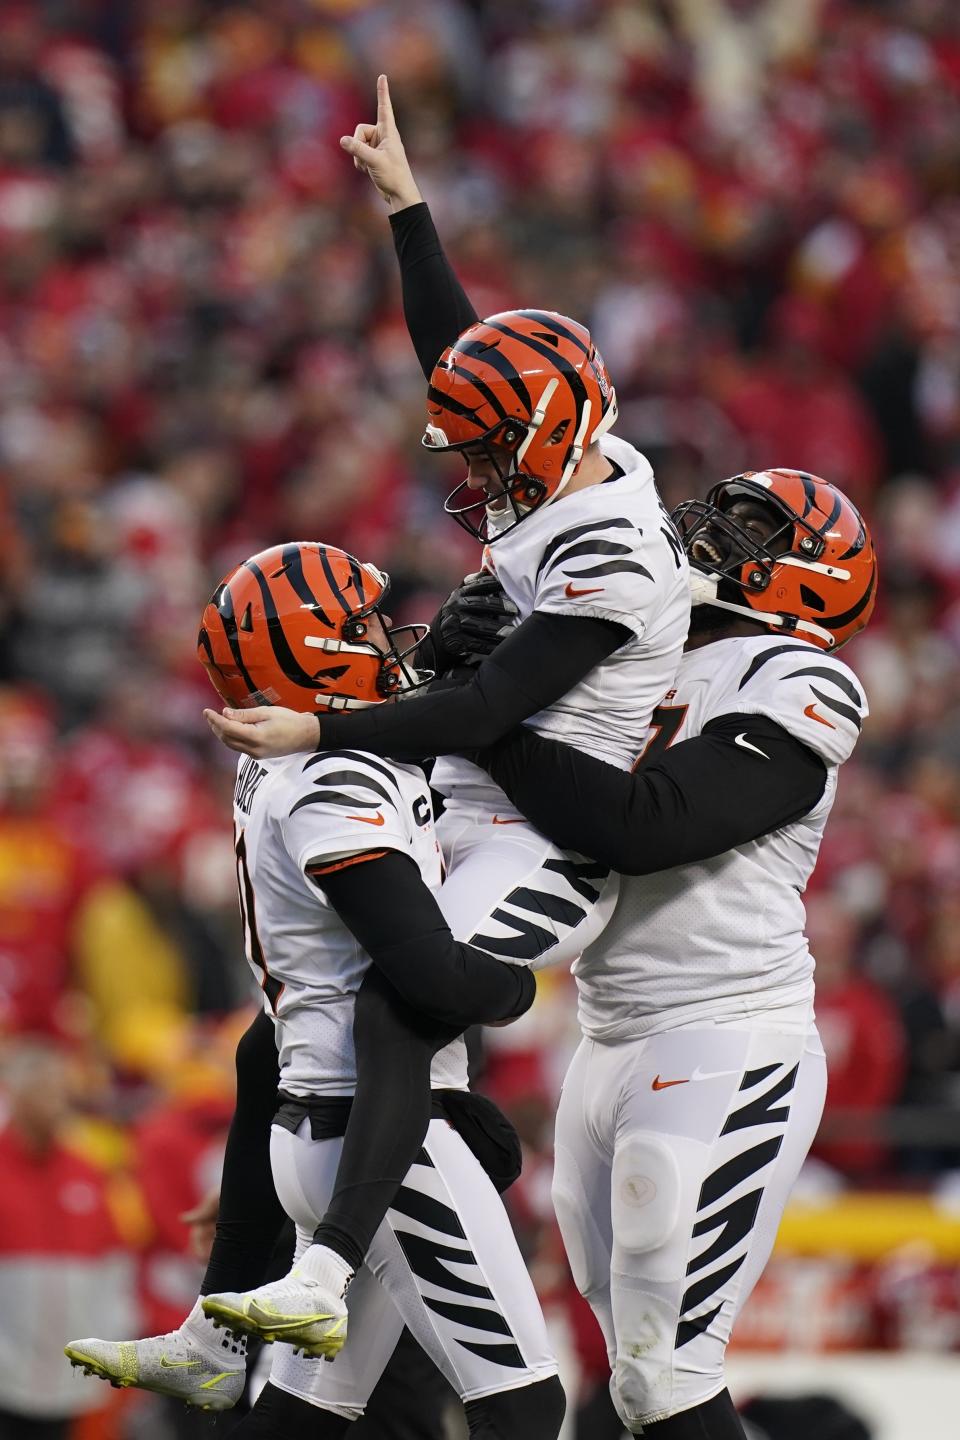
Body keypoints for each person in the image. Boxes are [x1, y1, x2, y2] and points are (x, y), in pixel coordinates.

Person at [204, 83, 879, 1437]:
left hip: (720, 1027)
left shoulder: (797, 679)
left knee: (654, 1378)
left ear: (803, 589)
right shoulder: (621, 528)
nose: (715, 526)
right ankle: (276, 1282)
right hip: (613, 1022)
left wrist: (456, 691)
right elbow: (488, 378)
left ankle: (303, 1267)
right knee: (591, 1367)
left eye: (751, 530)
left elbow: (632, 824)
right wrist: (409, 215)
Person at [68, 540, 564, 1440]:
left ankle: (213, 1343)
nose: (387, 635)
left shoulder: (283, 760)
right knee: (526, 1403)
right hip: (379, 1135)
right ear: (315, 652)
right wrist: (522, 981)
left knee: (300, 1418)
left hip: (319, 1125)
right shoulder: (333, 782)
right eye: (363, 623)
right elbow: (423, 974)